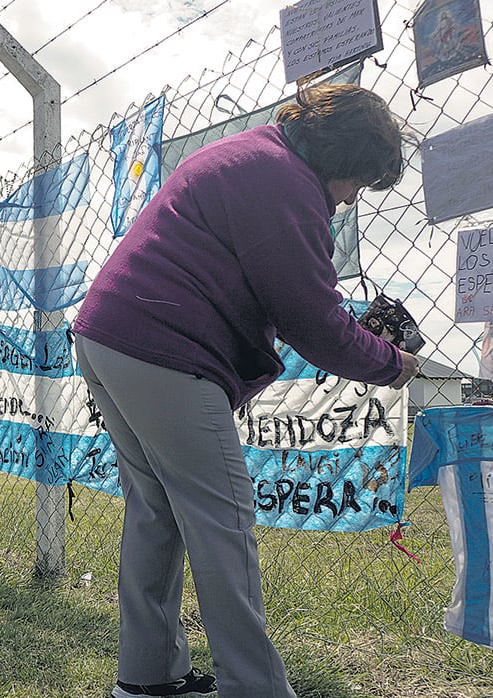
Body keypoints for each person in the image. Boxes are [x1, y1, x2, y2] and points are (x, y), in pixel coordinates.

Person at [72, 82, 419, 698]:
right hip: (163, 348)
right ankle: (252, 688)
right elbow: (311, 319)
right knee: (223, 522)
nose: (347, 202)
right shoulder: (288, 183)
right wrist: (392, 364)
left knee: (157, 514)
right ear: (341, 160)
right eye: (358, 184)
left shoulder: (249, 154)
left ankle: (147, 677)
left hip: (111, 336)